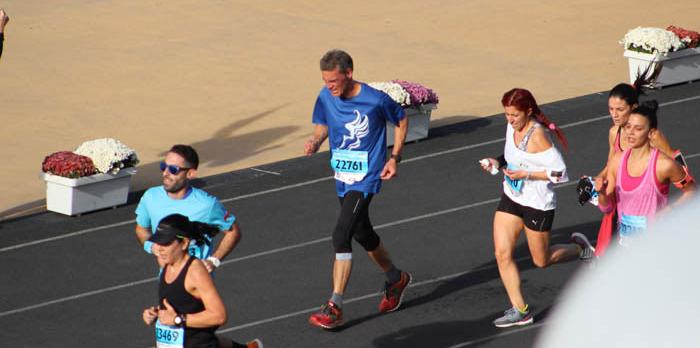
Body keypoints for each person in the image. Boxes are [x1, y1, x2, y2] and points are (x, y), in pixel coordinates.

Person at [304, 49, 411, 329]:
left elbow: (401, 119)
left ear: (349, 73)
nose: (329, 86)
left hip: (366, 177)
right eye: (325, 81)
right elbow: (322, 124)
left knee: (341, 234)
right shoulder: (326, 96)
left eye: (334, 81)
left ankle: (334, 306)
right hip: (342, 176)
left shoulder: (374, 99)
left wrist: (395, 157)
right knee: (363, 233)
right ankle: (396, 278)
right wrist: (316, 141)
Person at [480, 88, 589, 328]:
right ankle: (521, 310)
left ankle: (580, 249)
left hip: (537, 205)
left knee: (541, 260)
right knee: (502, 253)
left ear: (528, 111)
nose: (510, 120)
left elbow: (561, 174)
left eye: (515, 115)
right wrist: (497, 161)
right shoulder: (512, 127)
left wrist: (526, 173)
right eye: (506, 114)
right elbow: (511, 155)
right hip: (512, 197)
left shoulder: (539, 136)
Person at [585, 73, 687, 256]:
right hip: (621, 204)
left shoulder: (653, 137)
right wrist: (594, 182)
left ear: (633, 108)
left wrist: (678, 191)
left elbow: (677, 163)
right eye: (611, 109)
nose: (614, 115)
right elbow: (610, 166)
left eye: (620, 109)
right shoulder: (613, 132)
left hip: (647, 205)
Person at [142, 214, 262, 348]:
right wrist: (157, 313)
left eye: (166, 243)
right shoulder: (166, 264)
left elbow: (219, 316)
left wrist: (177, 319)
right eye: (158, 242)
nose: (160, 248)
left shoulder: (195, 272)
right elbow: (182, 302)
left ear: (184, 243)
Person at [595, 100, 695, 247]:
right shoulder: (617, 161)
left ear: (651, 133)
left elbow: (692, 191)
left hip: (656, 245)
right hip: (626, 246)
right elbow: (607, 208)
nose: (631, 132)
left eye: (638, 128)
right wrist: (602, 194)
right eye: (628, 127)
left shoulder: (664, 165)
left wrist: (669, 210)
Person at [135, 144, 240, 272]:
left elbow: (233, 231)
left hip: (197, 283)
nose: (165, 173)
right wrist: (150, 246)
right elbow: (141, 228)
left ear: (190, 173)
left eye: (173, 169)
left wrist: (214, 260)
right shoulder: (150, 197)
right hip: (166, 280)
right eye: (163, 167)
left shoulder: (207, 205)